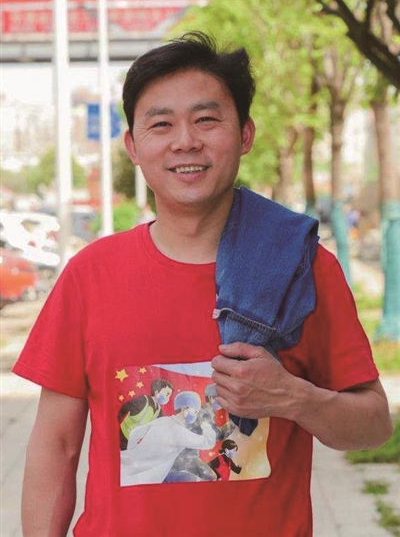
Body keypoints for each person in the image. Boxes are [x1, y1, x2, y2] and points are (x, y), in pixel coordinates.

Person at [13, 31, 392, 537]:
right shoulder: (90, 275)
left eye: (206, 120)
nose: (185, 141)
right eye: (161, 124)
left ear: (245, 134)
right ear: (133, 147)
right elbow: (56, 446)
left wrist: (293, 398)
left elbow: (374, 425)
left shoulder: (302, 268)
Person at [120, 390, 216, 486]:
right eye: (194, 411)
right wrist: (207, 428)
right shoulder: (180, 432)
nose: (195, 415)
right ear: (184, 408)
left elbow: (135, 433)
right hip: (145, 478)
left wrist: (133, 453)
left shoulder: (163, 420)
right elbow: (207, 442)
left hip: (126, 464)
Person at [118, 377, 173, 450]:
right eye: (167, 394)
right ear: (157, 392)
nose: (167, 398)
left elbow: (160, 426)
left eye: (169, 396)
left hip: (134, 441)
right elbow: (124, 409)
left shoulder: (159, 410)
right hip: (123, 435)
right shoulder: (143, 400)